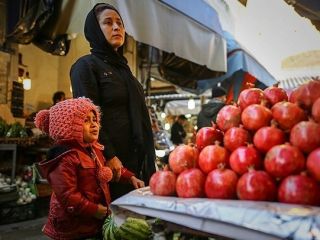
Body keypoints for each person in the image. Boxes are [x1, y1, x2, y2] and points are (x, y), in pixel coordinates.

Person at [70, 3, 156, 200]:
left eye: (120, 23)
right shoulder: (85, 67)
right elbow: (88, 118)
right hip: (109, 165)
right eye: (108, 23)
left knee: (134, 224)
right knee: (112, 223)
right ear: (95, 30)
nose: (117, 27)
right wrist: (109, 155)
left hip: (134, 162)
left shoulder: (126, 73)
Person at [34, 97, 144, 240]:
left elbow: (106, 168)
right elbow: (68, 195)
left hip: (92, 223)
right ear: (68, 127)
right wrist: (93, 210)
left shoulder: (94, 149)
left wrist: (130, 177)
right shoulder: (64, 157)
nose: (94, 125)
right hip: (72, 228)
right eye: (86, 120)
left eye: (94, 119)